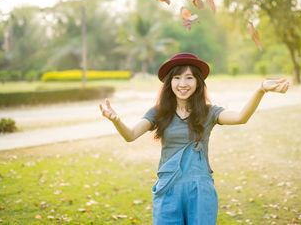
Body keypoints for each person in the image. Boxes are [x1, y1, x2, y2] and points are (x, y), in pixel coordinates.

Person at [99, 53, 289, 225]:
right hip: (168, 190)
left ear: (198, 82)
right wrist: (117, 120)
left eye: (189, 77)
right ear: (169, 82)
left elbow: (240, 117)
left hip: (200, 189)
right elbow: (131, 135)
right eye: (177, 77)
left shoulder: (209, 112)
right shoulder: (159, 112)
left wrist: (260, 89)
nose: (183, 83)